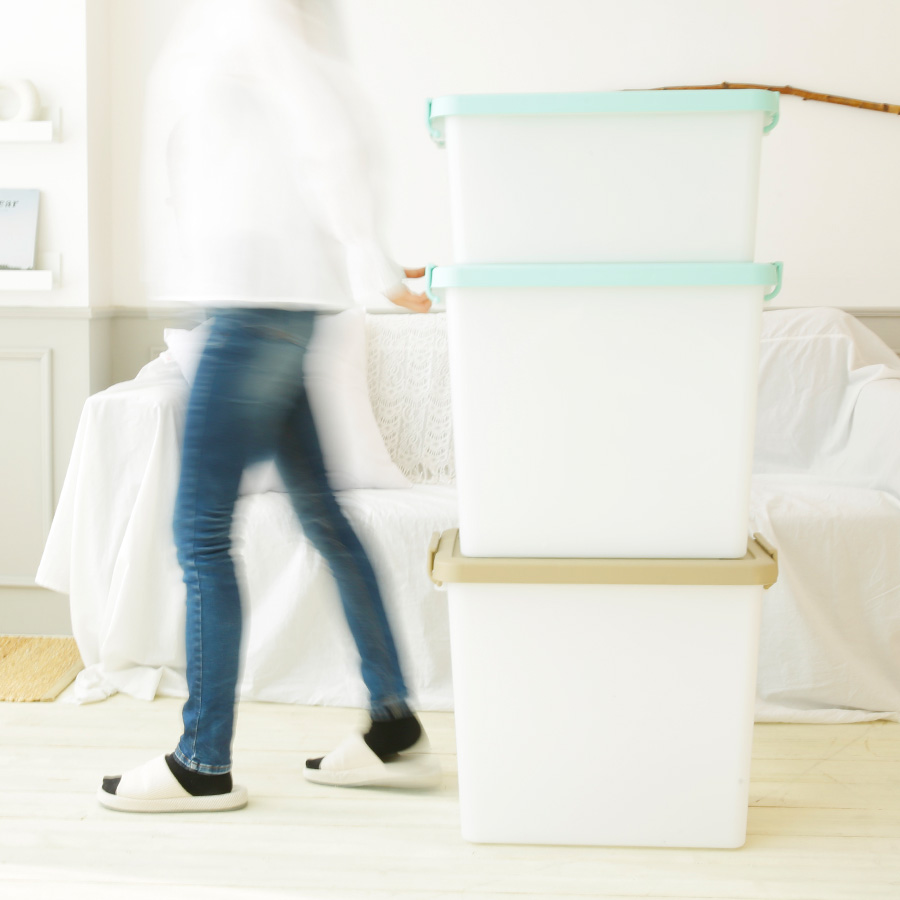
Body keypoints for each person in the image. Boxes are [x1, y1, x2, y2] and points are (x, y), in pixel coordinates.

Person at [98, 0, 436, 813]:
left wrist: (373, 260)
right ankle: (391, 721)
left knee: (200, 533)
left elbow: (331, 134)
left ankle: (202, 763)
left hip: (252, 308)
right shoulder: (265, 22)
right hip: (276, 304)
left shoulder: (247, 16)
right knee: (322, 515)